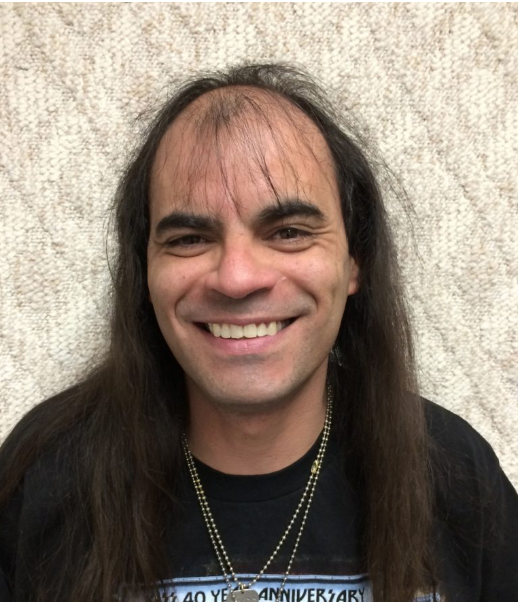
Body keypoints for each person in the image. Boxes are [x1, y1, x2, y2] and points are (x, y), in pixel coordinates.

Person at [0, 64, 517, 602]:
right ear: (145, 274)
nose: (237, 277)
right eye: (189, 238)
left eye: (288, 231)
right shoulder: (45, 476)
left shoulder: (456, 475)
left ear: (355, 261)